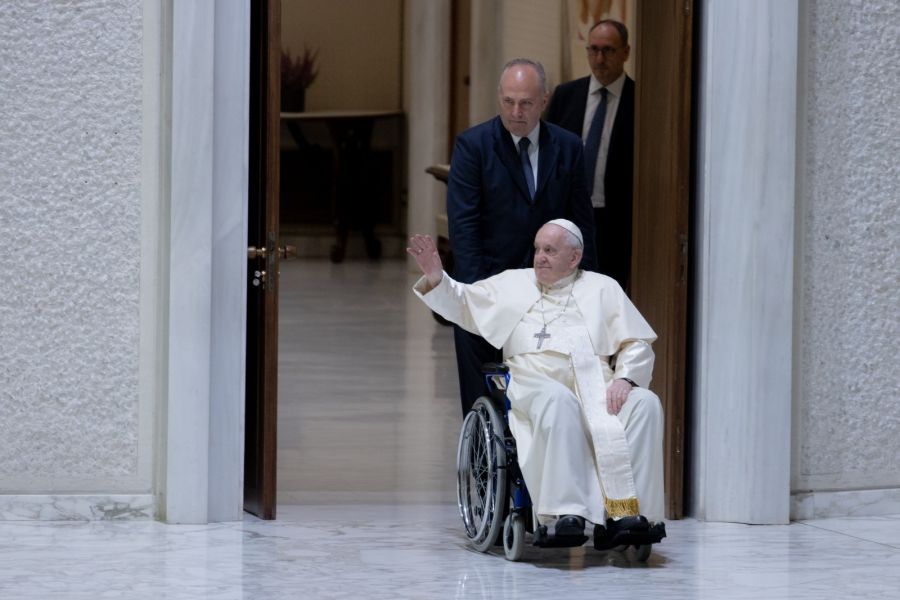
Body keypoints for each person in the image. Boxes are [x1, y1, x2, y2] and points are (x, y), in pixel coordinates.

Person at [407, 219, 664, 535]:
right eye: (538, 249)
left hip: (597, 384)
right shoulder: (512, 284)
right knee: (559, 401)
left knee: (645, 404)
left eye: (550, 250)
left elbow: (635, 341)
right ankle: (565, 512)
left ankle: (629, 513)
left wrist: (626, 379)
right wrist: (436, 275)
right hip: (533, 383)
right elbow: (462, 301)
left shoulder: (603, 288)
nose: (540, 257)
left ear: (574, 257)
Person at [447, 58, 597, 417]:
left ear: (544, 100)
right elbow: (464, 229)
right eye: (509, 101)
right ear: (499, 98)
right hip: (488, 289)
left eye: (526, 103)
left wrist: (585, 290)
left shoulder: (568, 147)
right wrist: (483, 297)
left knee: (547, 398)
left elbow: (581, 224)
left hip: (551, 294)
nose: (516, 111)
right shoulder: (473, 147)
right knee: (485, 400)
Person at [546, 19, 634, 289]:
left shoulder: (640, 100)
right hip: (570, 216)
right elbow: (549, 155)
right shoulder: (565, 95)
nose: (599, 58)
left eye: (607, 50)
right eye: (593, 49)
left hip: (617, 222)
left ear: (625, 53)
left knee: (608, 295)